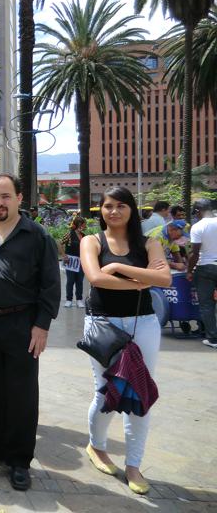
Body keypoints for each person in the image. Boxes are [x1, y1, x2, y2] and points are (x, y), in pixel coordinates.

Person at [0, 173, 60, 491]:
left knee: (21, 393)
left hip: (22, 325)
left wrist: (42, 326)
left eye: (5, 196)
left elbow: (50, 284)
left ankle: (19, 460)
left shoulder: (37, 235)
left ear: (19, 198)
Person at [80, 186, 171, 494]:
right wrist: (141, 281)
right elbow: (95, 278)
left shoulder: (149, 243)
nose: (114, 211)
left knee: (138, 392)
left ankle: (133, 465)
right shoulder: (90, 241)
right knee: (106, 391)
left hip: (142, 324)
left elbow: (165, 279)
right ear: (100, 210)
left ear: (132, 209)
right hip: (102, 324)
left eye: (121, 205)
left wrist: (118, 267)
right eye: (108, 206)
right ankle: (97, 446)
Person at [188, 198, 217, 349]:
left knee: (207, 305)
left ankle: (213, 339)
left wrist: (189, 271)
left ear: (198, 211)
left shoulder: (198, 226)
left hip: (206, 268)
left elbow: (195, 253)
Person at [61, 216, 86, 307]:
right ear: (77, 225)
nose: (83, 227)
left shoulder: (84, 236)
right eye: (81, 225)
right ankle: (69, 300)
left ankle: (79, 300)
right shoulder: (69, 234)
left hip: (81, 262)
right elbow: (61, 244)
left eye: (83, 225)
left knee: (79, 281)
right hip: (70, 261)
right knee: (70, 280)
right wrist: (64, 255)